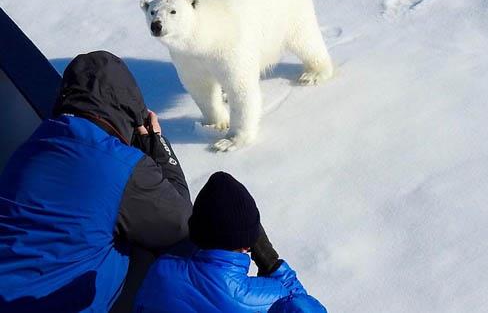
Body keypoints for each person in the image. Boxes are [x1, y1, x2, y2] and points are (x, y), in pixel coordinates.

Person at [0, 51, 193, 312]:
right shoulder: (121, 165)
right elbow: (182, 221)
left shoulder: (34, 144)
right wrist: (156, 144)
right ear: (128, 110)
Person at [133, 171, 321, 312]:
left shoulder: (160, 270)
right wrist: (271, 263)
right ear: (247, 244)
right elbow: (301, 304)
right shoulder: (268, 297)